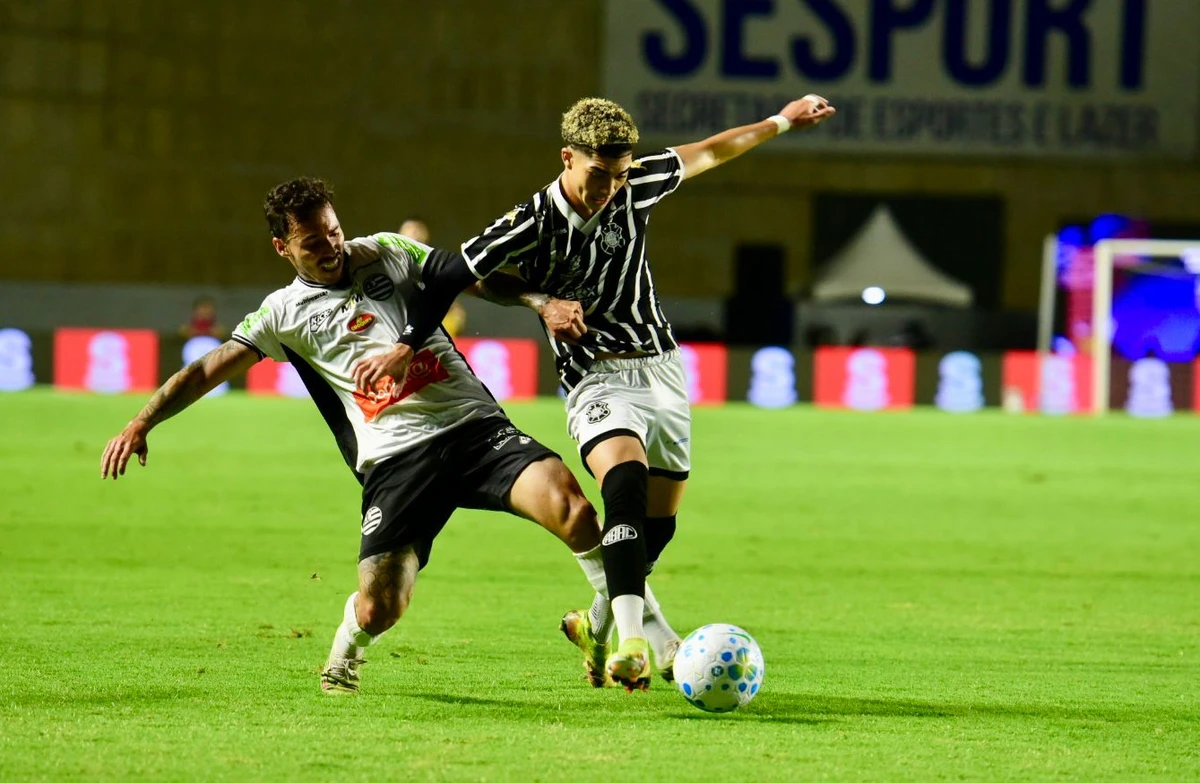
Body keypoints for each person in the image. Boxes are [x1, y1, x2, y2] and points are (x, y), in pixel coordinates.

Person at [393, 95, 836, 690]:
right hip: (594, 377)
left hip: (663, 370)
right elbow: (452, 274)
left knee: (657, 530)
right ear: (567, 157)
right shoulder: (530, 222)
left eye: (619, 173)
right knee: (622, 488)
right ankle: (637, 643)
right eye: (598, 173)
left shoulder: (637, 185)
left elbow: (712, 151)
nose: (609, 186)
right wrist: (527, 304)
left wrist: (782, 120)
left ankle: (596, 623)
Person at [100, 177, 604, 695]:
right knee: (380, 606)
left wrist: (538, 301)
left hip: (475, 430)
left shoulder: (388, 249)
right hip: (395, 462)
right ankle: (346, 652)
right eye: (312, 243)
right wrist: (144, 420)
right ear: (283, 248)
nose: (331, 248)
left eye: (334, 232)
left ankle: (619, 629)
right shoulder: (282, 313)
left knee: (576, 512)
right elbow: (209, 368)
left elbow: (471, 276)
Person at [399, 216, 467, 338]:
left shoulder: (438, 267)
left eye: (419, 228)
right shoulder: (388, 264)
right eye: (410, 228)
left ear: (427, 235)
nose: (415, 232)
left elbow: (455, 313)